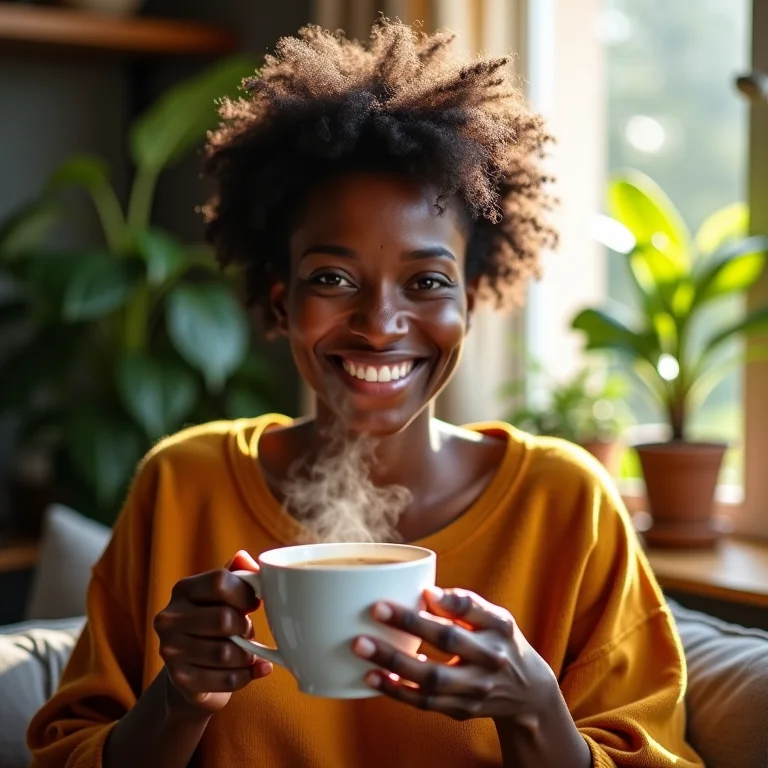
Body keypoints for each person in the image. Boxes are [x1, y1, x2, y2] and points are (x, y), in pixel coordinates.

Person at [28, 19, 703, 768]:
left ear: (471, 302)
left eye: (428, 282)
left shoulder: (568, 504)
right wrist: (176, 700)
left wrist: (535, 712)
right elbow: (67, 753)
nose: (380, 325)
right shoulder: (183, 483)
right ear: (281, 303)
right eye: (332, 279)